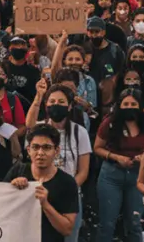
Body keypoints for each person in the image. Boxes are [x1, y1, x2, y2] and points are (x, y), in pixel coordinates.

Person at [26, 82, 91, 242]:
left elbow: (83, 170)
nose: (56, 105)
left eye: (61, 102)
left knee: (69, 237)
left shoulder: (79, 132)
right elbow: (29, 124)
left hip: (69, 195)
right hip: (39, 193)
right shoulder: (40, 128)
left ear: (69, 107)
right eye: (52, 102)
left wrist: (67, 188)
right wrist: (39, 95)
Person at [93, 89, 144, 242]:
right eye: (126, 104)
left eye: (133, 104)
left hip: (137, 176)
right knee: (107, 223)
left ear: (140, 106)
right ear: (119, 105)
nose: (129, 107)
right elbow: (97, 148)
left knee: (135, 223)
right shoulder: (110, 122)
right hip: (111, 174)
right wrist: (115, 157)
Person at [8, 124, 79, 242]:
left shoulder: (67, 182)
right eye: (35, 147)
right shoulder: (17, 171)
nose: (40, 153)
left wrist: (45, 204)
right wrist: (12, 188)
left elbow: (67, 229)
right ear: (29, 150)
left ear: (56, 151)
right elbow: (1, 207)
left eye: (46, 147)